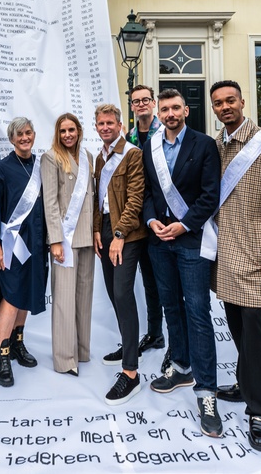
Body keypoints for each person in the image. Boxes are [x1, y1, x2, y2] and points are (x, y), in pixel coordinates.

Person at [209, 80, 261, 452]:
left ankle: (259, 412)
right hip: (225, 256)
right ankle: (245, 385)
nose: (225, 107)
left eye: (230, 100)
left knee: (256, 336)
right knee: (238, 329)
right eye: (218, 103)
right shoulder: (217, 145)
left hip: (256, 256)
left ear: (242, 102)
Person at [142, 88, 222, 437]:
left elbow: (210, 195)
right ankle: (181, 366)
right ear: (158, 113)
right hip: (160, 242)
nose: (170, 114)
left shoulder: (204, 145)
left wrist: (184, 224)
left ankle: (207, 393)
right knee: (171, 306)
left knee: (197, 313)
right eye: (165, 109)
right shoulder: (151, 146)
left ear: (186, 111)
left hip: (191, 241)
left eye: (176, 108)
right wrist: (151, 221)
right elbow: (147, 192)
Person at [0, 117, 47, 387]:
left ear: (34, 135)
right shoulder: (2, 168)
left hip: (36, 242)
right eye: (19, 134)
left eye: (28, 132)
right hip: (12, 244)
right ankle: (3, 353)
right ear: (11, 139)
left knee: (25, 294)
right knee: (10, 296)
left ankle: (18, 342)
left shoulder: (41, 166)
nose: (24, 138)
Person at [92, 103, 147, 405]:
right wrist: (96, 230)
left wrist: (119, 234)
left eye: (110, 123)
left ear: (120, 125)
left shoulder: (132, 154)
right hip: (104, 229)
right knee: (115, 295)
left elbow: (136, 198)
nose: (105, 128)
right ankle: (129, 347)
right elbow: (98, 199)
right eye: (101, 124)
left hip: (126, 233)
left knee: (124, 294)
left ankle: (131, 373)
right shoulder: (100, 157)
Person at [41, 113, 95, 377]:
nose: (67, 135)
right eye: (62, 131)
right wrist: (55, 240)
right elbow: (50, 202)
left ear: (79, 130)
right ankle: (64, 358)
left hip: (87, 236)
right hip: (65, 239)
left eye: (71, 130)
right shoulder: (50, 157)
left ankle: (81, 350)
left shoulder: (88, 157)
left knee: (84, 297)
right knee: (63, 299)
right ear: (57, 133)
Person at [122, 85, 166, 365]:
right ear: (132, 106)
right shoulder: (129, 137)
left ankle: (175, 341)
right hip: (137, 220)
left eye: (145, 100)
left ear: (153, 103)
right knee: (149, 281)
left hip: (161, 217)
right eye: (136, 101)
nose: (141, 105)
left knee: (167, 283)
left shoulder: (165, 132)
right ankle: (155, 333)